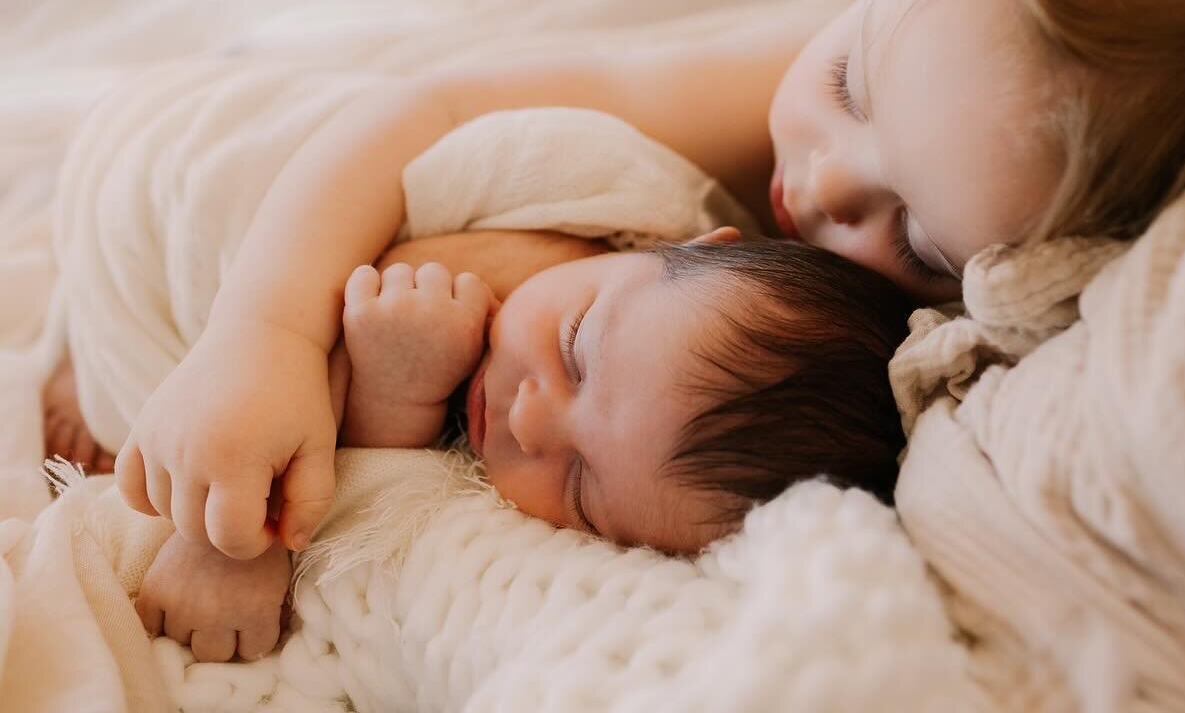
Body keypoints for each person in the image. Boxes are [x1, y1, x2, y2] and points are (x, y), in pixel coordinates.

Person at [102, 0, 1185, 574]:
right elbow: (421, 109)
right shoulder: (831, 60)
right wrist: (255, 335)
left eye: (922, 241)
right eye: (850, 85)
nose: (825, 185)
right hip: (392, 119)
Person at [132, 232, 913, 662]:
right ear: (678, 241)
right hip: (188, 198)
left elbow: (374, 453)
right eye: (577, 348)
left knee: (122, 382)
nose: (530, 423)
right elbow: (321, 326)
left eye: (578, 484)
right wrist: (234, 541)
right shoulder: (530, 261)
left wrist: (392, 400)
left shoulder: (626, 327)